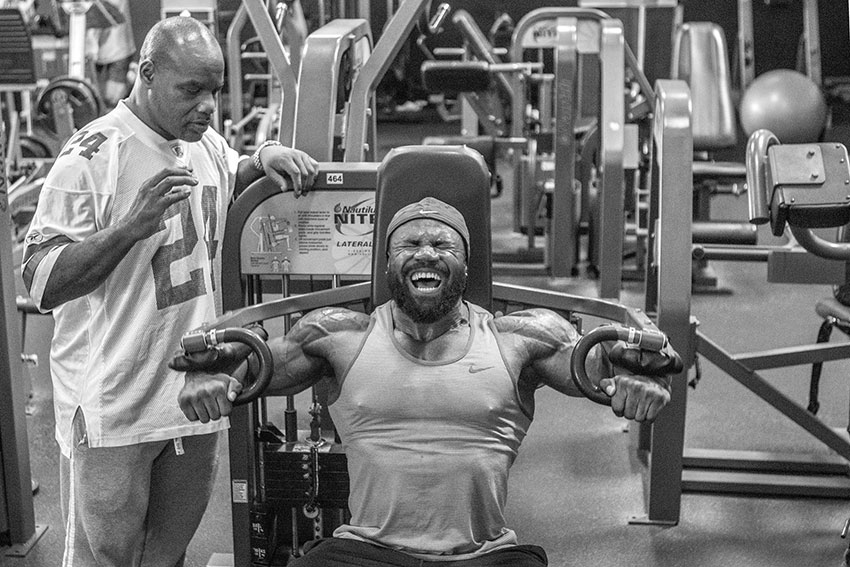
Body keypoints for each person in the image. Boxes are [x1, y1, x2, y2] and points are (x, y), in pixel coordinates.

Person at [173, 197, 676, 566]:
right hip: (363, 552)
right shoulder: (339, 335)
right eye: (410, 244)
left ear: (465, 262)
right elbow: (256, 366)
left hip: (485, 557)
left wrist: (634, 376)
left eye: (443, 244)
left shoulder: (520, 337)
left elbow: (595, 368)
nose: (427, 253)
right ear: (388, 264)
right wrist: (216, 375)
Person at [21, 16, 318, 567]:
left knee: (166, 556)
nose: (208, 106)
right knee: (109, 560)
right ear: (147, 73)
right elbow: (40, 280)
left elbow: (236, 170)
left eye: (214, 91)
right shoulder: (90, 156)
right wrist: (129, 227)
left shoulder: (202, 145)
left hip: (190, 393)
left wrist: (266, 155)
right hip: (115, 404)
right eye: (191, 91)